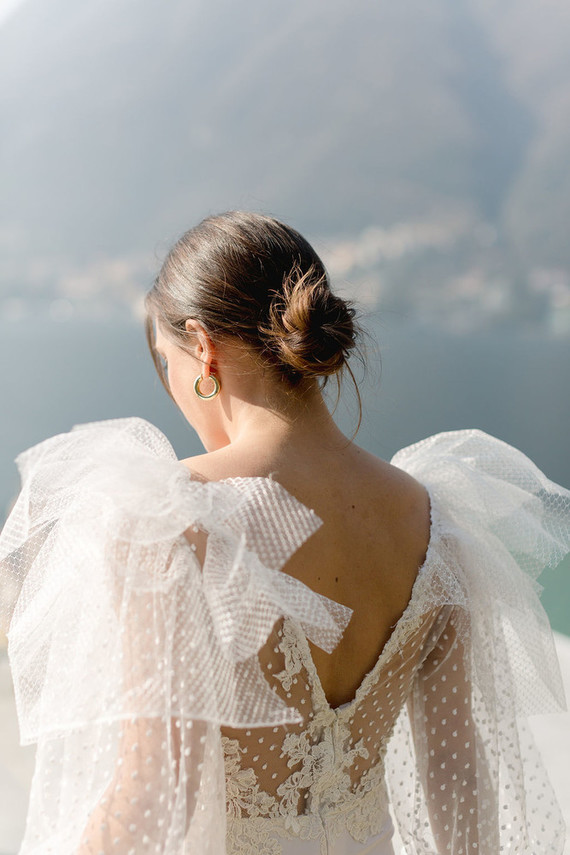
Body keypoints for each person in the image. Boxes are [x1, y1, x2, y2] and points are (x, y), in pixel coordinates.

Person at [0, 211, 569, 855]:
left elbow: (153, 794)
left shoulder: (171, 520)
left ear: (203, 346)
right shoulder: (436, 519)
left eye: (168, 363)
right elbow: (460, 778)